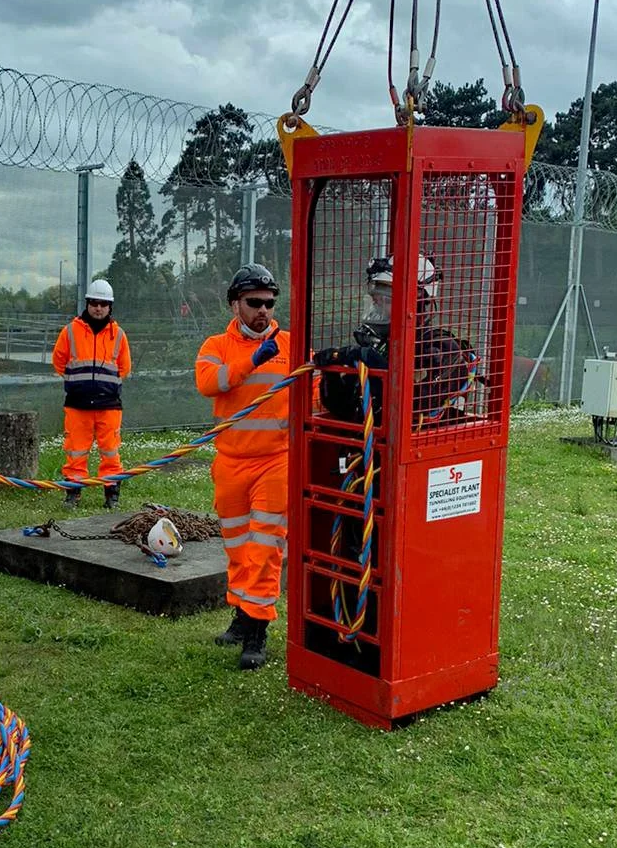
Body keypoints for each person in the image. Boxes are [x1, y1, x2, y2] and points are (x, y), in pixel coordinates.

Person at [194, 264, 292, 671]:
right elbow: (209, 383)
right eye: (254, 303)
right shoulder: (216, 345)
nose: (263, 311)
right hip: (232, 462)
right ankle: (241, 614)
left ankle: (257, 630)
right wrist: (252, 360)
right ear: (235, 304)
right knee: (237, 548)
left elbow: (316, 393)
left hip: (276, 462)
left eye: (269, 303)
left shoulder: (290, 344)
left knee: (265, 549)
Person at [313, 254, 473, 426]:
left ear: (416, 301)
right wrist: (332, 373)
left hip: (418, 447)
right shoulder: (381, 348)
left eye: (386, 300)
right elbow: (345, 410)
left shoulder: (443, 349)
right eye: (376, 299)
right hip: (368, 446)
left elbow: (417, 406)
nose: (377, 307)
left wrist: (372, 361)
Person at [51, 278, 132, 510]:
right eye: (94, 303)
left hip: (109, 405)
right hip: (78, 404)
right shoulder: (70, 331)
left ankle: (112, 494)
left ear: (110, 307)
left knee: (111, 452)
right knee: (76, 451)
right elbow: (58, 361)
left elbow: (125, 367)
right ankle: (73, 494)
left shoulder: (118, 335)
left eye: (103, 304)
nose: (98, 307)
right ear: (87, 303)